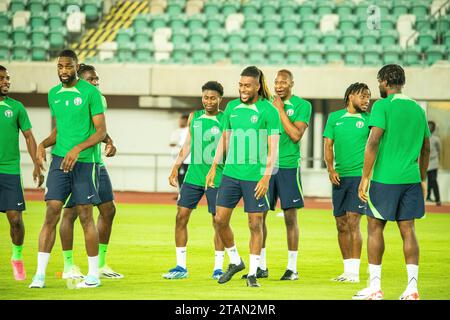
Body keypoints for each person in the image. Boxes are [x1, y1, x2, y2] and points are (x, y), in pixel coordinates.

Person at [29, 49, 107, 289]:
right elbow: (59, 130)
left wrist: (77, 149)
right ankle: (39, 275)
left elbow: (101, 132)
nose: (64, 70)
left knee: (85, 214)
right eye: (60, 66)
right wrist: (43, 143)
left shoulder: (91, 93)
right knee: (52, 211)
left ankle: (93, 275)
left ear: (76, 67)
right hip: (59, 161)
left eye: (68, 66)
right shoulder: (53, 95)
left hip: (84, 162)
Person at [37, 63, 122, 280]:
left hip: (94, 163)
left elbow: (97, 128)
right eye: (91, 80)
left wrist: (109, 141)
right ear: (81, 80)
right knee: (71, 212)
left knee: (108, 209)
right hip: (76, 161)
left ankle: (100, 265)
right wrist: (44, 144)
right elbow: (65, 127)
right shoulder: (68, 94)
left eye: (97, 79)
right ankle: (69, 266)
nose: (95, 83)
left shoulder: (96, 97)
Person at [354, 64, 430, 300]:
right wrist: (422, 177)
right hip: (411, 179)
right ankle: (412, 289)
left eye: (379, 81)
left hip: (385, 179)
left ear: (385, 81)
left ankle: (375, 288)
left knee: (375, 228)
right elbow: (425, 148)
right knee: (408, 231)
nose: (378, 85)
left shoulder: (382, 106)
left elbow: (373, 140)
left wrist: (365, 176)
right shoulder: (417, 108)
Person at [206, 66, 281, 287]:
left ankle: (252, 272)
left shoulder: (268, 111)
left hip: (255, 176)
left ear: (257, 86)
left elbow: (273, 148)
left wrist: (266, 176)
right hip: (230, 174)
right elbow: (225, 139)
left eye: (247, 85)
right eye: (240, 85)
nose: (243, 89)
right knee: (219, 220)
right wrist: (213, 166)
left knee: (255, 223)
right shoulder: (231, 107)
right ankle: (236, 261)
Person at [242, 69, 311, 281]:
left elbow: (296, 135)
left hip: (288, 166)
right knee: (258, 217)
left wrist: (280, 111)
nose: (279, 86)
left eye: (283, 82)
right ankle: (260, 266)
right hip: (265, 168)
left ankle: (292, 268)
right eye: (276, 82)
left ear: (292, 83)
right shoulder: (265, 103)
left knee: (290, 217)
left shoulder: (302, 105)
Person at [163, 81, 226, 280]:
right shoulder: (194, 117)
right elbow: (187, 144)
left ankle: (218, 268)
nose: (208, 101)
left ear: (220, 99)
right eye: (205, 97)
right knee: (180, 216)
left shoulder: (226, 119)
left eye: (213, 98)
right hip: (193, 176)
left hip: (216, 177)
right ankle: (181, 267)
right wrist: (175, 167)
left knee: (218, 221)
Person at [323, 82, 371, 283]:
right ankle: (346, 271)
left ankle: (355, 273)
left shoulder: (369, 120)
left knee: (353, 221)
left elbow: (374, 148)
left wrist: (367, 177)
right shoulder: (334, 118)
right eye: (363, 96)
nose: (367, 100)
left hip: (359, 178)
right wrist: (331, 169)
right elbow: (328, 145)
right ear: (351, 96)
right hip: (339, 177)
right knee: (341, 223)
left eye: (369, 97)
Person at [0, 65, 44, 281]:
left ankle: (17, 259)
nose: (6, 82)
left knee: (15, 219)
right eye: (1, 79)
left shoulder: (16, 107)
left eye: (7, 78)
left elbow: (28, 136)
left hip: (9, 171)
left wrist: (37, 163)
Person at [170, 113, 190, 189]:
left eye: (183, 120)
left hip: (185, 158)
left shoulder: (188, 130)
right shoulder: (177, 131)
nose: (180, 122)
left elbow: (186, 145)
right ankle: (180, 192)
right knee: (178, 176)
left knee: (184, 176)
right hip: (176, 157)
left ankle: (183, 193)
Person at [426, 121, 441, 206]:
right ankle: (427, 197)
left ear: (434, 128)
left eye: (431, 126)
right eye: (428, 126)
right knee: (424, 181)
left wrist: (437, 160)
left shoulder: (436, 139)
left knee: (433, 181)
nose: (430, 127)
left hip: (434, 163)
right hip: (425, 162)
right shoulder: (423, 137)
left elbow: (439, 150)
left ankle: (438, 199)